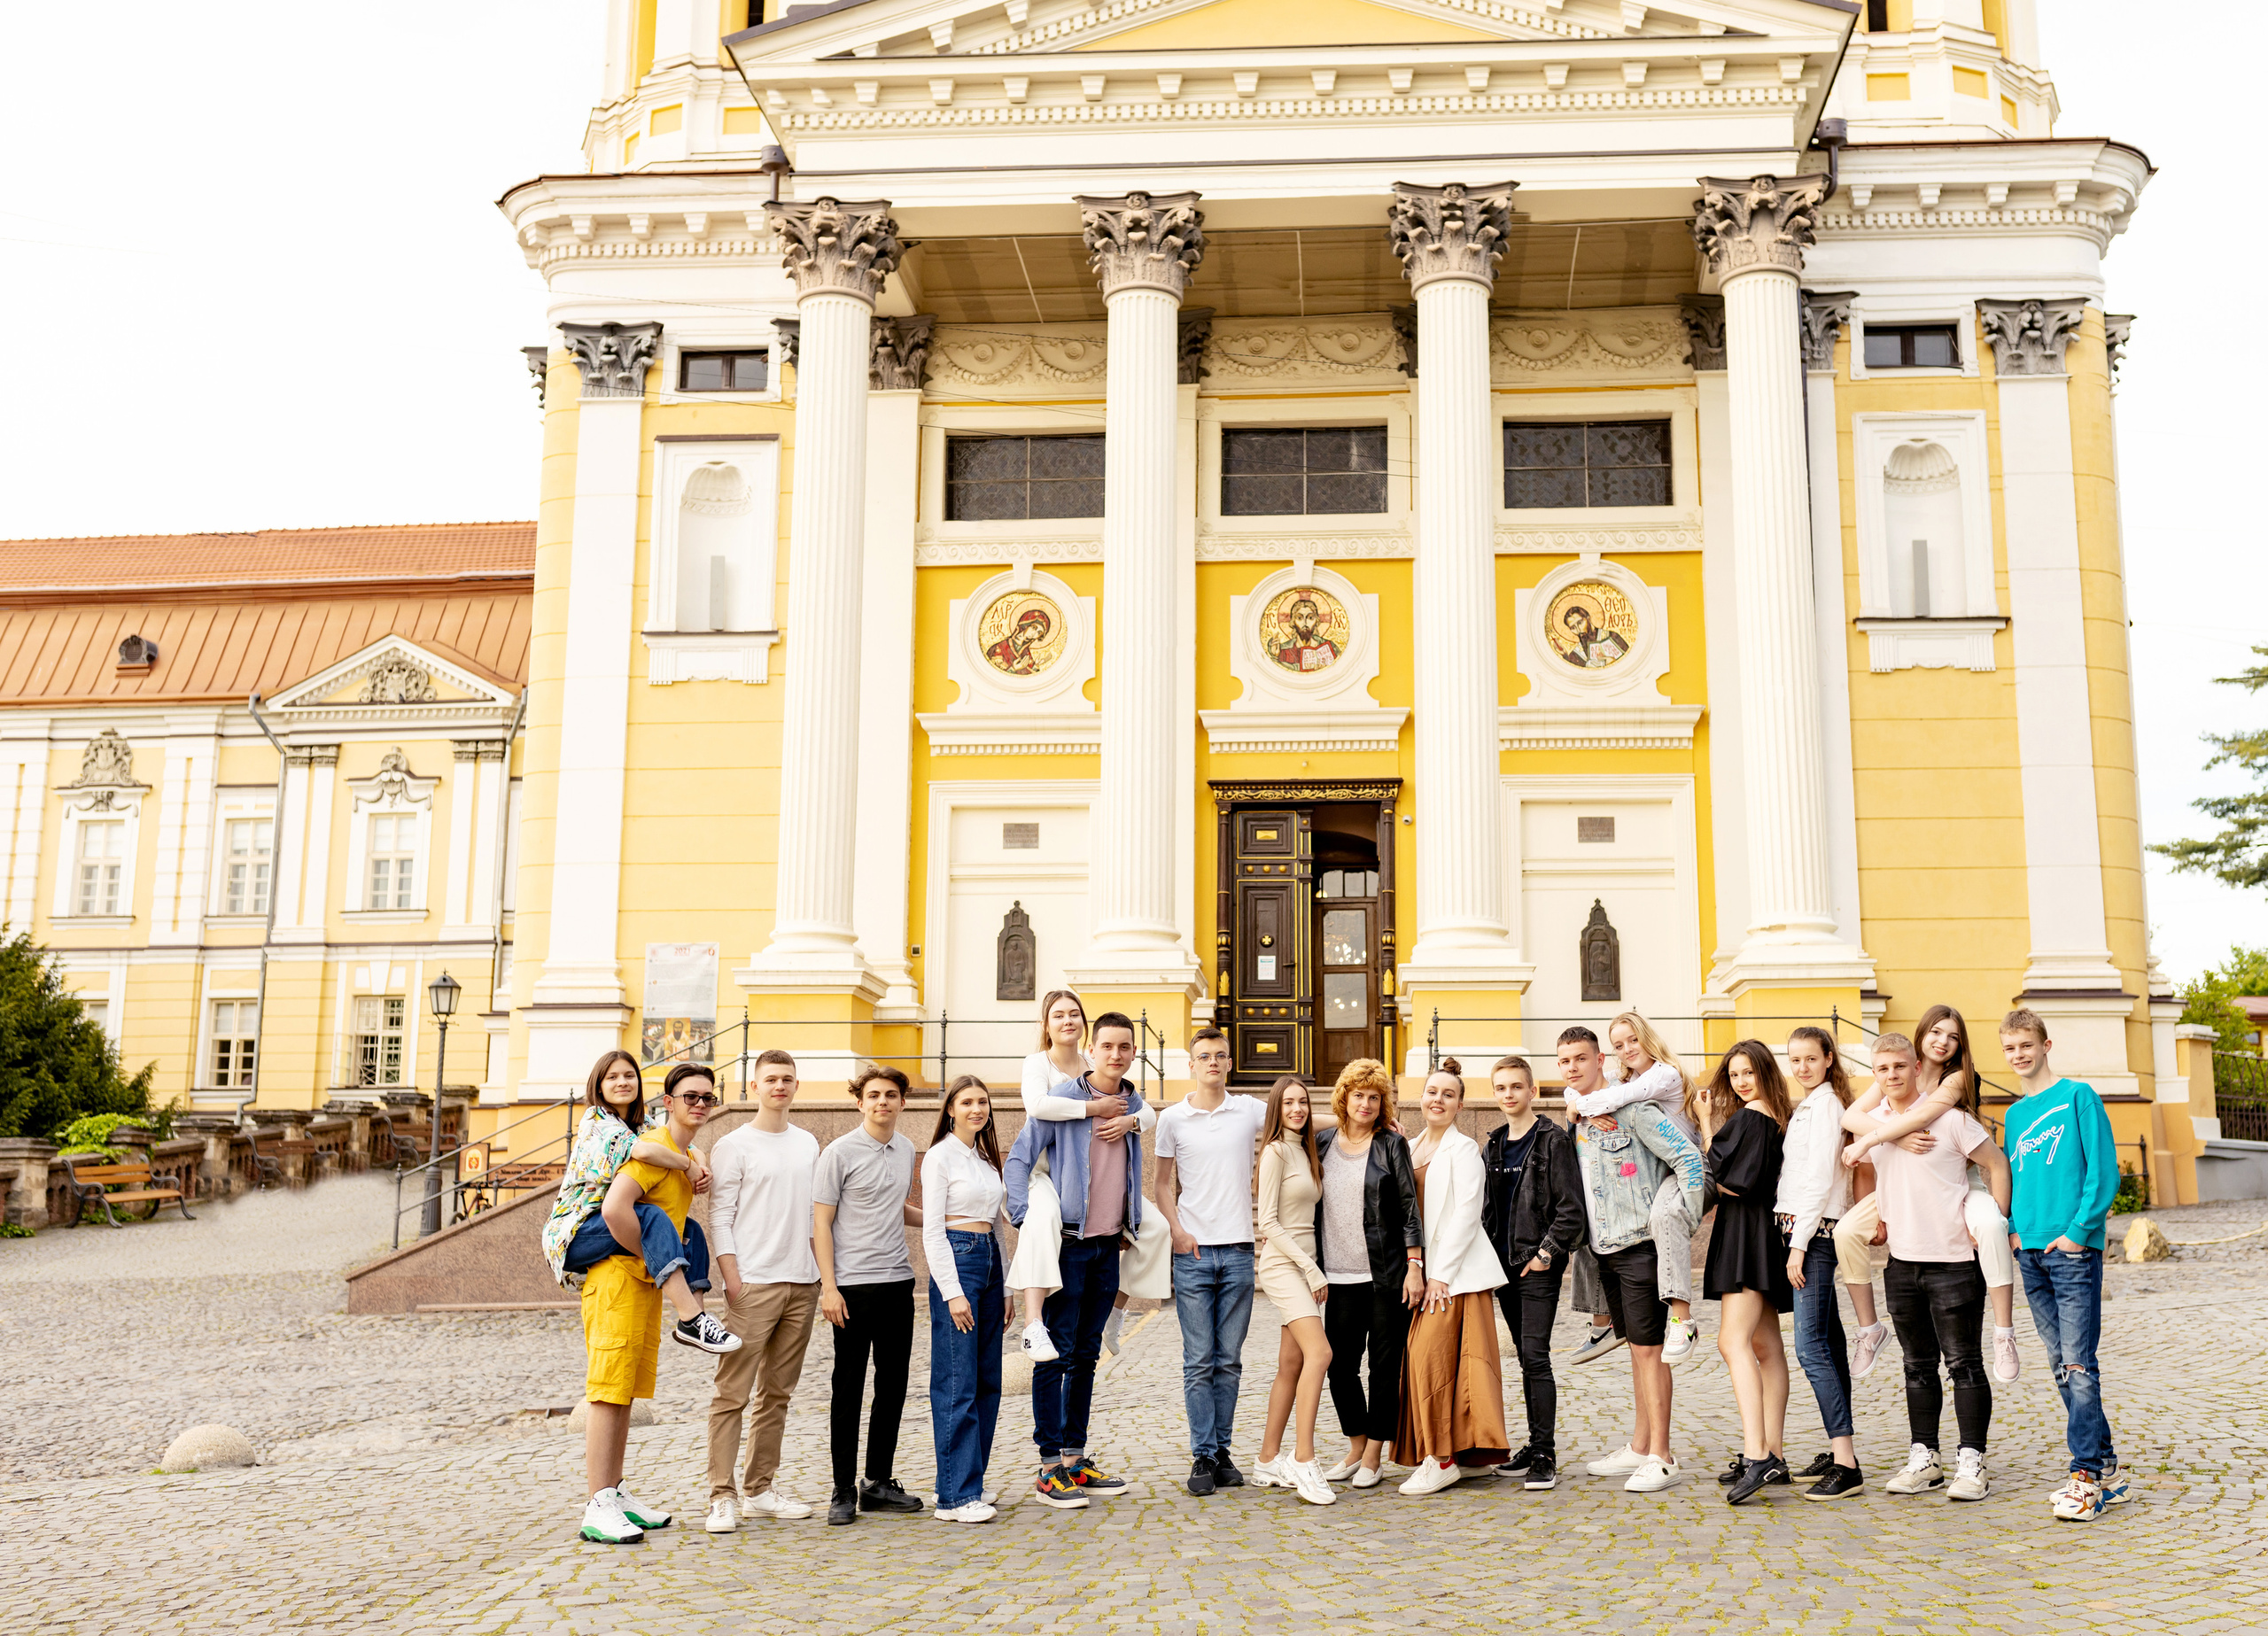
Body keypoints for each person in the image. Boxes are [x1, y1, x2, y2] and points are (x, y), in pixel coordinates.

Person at [573, 1063, 729, 1544]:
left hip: (638, 1278)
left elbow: (673, 1147)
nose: (699, 1104)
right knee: (607, 1389)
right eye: (690, 1096)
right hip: (592, 1247)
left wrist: (694, 1159)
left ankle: (614, 1492)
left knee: (627, 1389)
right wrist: (687, 1165)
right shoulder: (606, 1128)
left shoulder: (646, 1131)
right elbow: (618, 1203)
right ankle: (597, 1504)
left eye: (708, 1097)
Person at [1860, 1033, 2013, 1502]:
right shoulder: (1876, 1124)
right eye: (1883, 1069)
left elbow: (1997, 1163)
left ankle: (1973, 1462)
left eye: (1900, 1067)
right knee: (1916, 1365)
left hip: (1952, 1262)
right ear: (1876, 1074)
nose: (1892, 1076)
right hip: (1902, 1263)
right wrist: (1879, 1217)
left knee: (1963, 1363)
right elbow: (1867, 1172)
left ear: (1916, 1067)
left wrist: (1996, 1219)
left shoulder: (1951, 1119)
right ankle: (1925, 1459)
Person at [1004, 1010, 1146, 1509]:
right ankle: (1048, 1467)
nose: (1115, 1054)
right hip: (1068, 1242)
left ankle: (1074, 1458)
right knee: (1056, 1352)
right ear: (1092, 1050)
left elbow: (1144, 1128)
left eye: (1124, 1047)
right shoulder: (1063, 1099)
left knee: (1087, 1354)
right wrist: (1024, 1217)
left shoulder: (1133, 1100)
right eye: (1107, 1046)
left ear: (1132, 1052)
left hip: (1109, 1243)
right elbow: (1019, 1157)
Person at [1835, 1005, 2021, 1384]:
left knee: (1988, 1225)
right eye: (1937, 1032)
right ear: (1921, 1034)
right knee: (1846, 1232)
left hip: (1958, 1182)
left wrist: (2002, 1219)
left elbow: (1922, 1118)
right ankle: (1870, 1329)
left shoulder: (1957, 1078)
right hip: (1900, 1181)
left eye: (1953, 1037)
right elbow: (1850, 1115)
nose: (1944, 1042)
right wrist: (1897, 1138)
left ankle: (2005, 1334)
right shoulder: (1898, 1064)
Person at [1563, 1025, 1706, 1493]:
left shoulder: (1636, 1109)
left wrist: (1685, 1216)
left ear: (1600, 1059)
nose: (1573, 1068)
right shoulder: (1581, 1115)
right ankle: (1641, 1445)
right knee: (1636, 1350)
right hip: (1604, 1246)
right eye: (1564, 1062)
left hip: (1640, 1245)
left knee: (1651, 1352)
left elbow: (1688, 1158)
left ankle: (1662, 1456)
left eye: (1581, 1059)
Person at [1999, 1007, 2129, 1522]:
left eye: (2026, 1045)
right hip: (2028, 1251)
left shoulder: (2078, 1097)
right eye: (2009, 1049)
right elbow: (2012, 1176)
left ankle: (2085, 1477)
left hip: (2072, 1252)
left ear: (2045, 1045)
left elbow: (2104, 1170)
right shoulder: (2014, 1116)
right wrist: (2011, 1227)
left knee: (2079, 1365)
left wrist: (2079, 1232)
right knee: (2062, 1366)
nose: (2018, 1055)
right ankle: (2110, 1470)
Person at [543, 1049, 737, 1354]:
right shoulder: (596, 1120)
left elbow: (685, 1146)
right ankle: (690, 1317)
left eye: (629, 1075)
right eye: (613, 1077)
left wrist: (698, 1160)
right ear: (598, 1086)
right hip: (578, 1231)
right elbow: (646, 1152)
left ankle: (697, 1320)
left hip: (609, 1225)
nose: (623, 1082)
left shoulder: (642, 1123)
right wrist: (688, 1167)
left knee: (691, 1230)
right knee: (652, 1217)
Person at [703, 1049, 822, 1532]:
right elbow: (720, 1217)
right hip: (753, 1282)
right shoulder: (734, 1145)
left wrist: (821, 1277)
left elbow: (818, 1215)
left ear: (796, 1086)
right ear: (754, 1087)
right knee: (731, 1394)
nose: (780, 1086)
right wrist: (734, 1281)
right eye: (771, 1079)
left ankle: (759, 1489)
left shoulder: (808, 1143)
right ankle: (720, 1495)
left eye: (787, 1079)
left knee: (777, 1393)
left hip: (803, 1282)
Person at [1010, 989, 1163, 1361]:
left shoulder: (1093, 1062)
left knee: (1157, 1228)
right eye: (1058, 1015)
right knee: (1041, 1218)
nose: (1067, 1021)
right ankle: (1032, 1324)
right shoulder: (1038, 1064)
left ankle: (1115, 1311)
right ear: (1045, 1024)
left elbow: (1147, 1112)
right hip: (1047, 1171)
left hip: (1088, 1182)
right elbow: (1037, 1108)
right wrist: (1096, 1107)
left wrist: (1130, 1119)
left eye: (1074, 1014)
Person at [1153, 1027, 1269, 1495]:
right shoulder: (1173, 1119)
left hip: (1240, 1250)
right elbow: (1162, 1183)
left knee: (1230, 1361)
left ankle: (1222, 1451)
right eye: (1204, 1057)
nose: (1213, 1064)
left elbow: (1300, 1116)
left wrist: (1369, 1118)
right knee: (1198, 1360)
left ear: (1228, 1062)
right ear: (1192, 1065)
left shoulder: (1248, 1110)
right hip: (1195, 1254)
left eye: (1220, 1056)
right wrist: (1177, 1232)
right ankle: (1202, 1454)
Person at [812, 1063, 925, 1526]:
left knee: (893, 1387)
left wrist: (947, 1217)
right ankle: (842, 1489)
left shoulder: (905, 1148)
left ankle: (877, 1483)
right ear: (860, 1102)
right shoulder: (838, 1153)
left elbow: (894, 1206)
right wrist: (829, 1287)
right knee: (849, 1388)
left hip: (898, 1282)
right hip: (852, 1288)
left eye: (891, 1095)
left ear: (902, 1102)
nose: (883, 1102)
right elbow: (820, 1221)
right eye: (874, 1095)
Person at [1393, 1061, 1510, 1494]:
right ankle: (1462, 1452)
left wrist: (1439, 1275)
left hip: (1454, 1277)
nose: (1437, 1100)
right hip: (1423, 1273)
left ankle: (1441, 1459)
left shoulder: (1463, 1150)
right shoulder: (1410, 1145)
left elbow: (1466, 1214)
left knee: (1433, 1360)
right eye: (1431, 1092)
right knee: (1443, 1363)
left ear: (1460, 1104)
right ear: (1419, 1098)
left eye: (1447, 1094)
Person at [1572, 1012, 1710, 1363]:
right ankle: (1602, 1322)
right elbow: (1581, 1089)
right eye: (1619, 1045)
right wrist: (1577, 1104)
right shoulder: (1625, 1078)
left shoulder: (1664, 1074)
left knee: (1664, 1218)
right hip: (1663, 1171)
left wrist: (1579, 1108)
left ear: (1648, 1036)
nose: (1628, 1049)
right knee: (1593, 1223)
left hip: (1689, 1168)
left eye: (1633, 1039)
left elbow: (1617, 1098)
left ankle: (1682, 1319)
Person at [1314, 1058, 1425, 1488]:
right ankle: (1356, 1443)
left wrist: (1414, 1266)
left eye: (1374, 1098)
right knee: (1339, 1366)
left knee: (1384, 1366)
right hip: (1337, 1277)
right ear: (1344, 1098)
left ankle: (1375, 1454)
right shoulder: (1322, 1143)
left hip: (1384, 1275)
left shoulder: (1391, 1145)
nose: (1365, 1104)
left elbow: (1408, 1208)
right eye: (1358, 1095)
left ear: (1383, 1104)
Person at [1480, 1053, 1587, 1492]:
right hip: (1504, 1269)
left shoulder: (1552, 1139)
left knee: (1536, 1356)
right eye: (1501, 1088)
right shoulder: (1494, 1142)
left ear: (1532, 1091)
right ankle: (1533, 1443)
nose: (1509, 1094)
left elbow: (1570, 1211)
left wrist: (1544, 1255)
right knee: (1525, 1358)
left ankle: (1545, 1453)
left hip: (1536, 1267)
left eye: (1516, 1087)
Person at [1703, 1041, 1797, 1506]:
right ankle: (1773, 1454)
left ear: (1764, 1074)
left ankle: (1758, 1454)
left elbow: (1729, 1180)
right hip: (1763, 1231)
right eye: (1734, 1074)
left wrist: (1703, 1126)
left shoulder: (1753, 1116)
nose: (1741, 1082)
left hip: (1747, 1232)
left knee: (1731, 1341)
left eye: (1749, 1072)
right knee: (1766, 1344)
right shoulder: (1771, 1114)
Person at [1775, 1026, 1865, 1500]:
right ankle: (1839, 1453)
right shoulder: (1809, 1106)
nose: (1802, 1067)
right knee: (1827, 1341)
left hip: (1815, 1235)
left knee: (1810, 1347)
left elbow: (1817, 1181)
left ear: (1829, 1059)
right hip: (1805, 1231)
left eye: (1811, 1058)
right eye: (1795, 1060)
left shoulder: (1827, 1107)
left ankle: (1846, 1463)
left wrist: (1798, 1244)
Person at [923, 1074, 1012, 1524]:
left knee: (987, 1380)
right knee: (957, 1379)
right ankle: (954, 1498)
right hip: (958, 1259)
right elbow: (933, 1229)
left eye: (983, 1102)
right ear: (951, 1109)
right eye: (967, 1102)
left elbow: (996, 1224)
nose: (977, 1108)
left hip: (990, 1262)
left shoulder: (984, 1159)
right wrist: (952, 1292)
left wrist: (1009, 1284)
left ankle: (968, 1479)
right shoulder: (940, 1157)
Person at [1248, 1074, 1337, 1507]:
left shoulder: (1305, 1147)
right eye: (1288, 1105)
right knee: (1320, 1354)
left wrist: (1383, 1124)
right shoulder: (1276, 1153)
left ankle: (1267, 1459)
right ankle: (1304, 1458)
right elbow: (1267, 1222)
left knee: (1291, 1361)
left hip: (1304, 1266)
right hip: (1286, 1267)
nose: (1298, 1110)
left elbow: (1339, 1115)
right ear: (1275, 1111)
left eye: (1303, 1103)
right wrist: (1312, 1270)